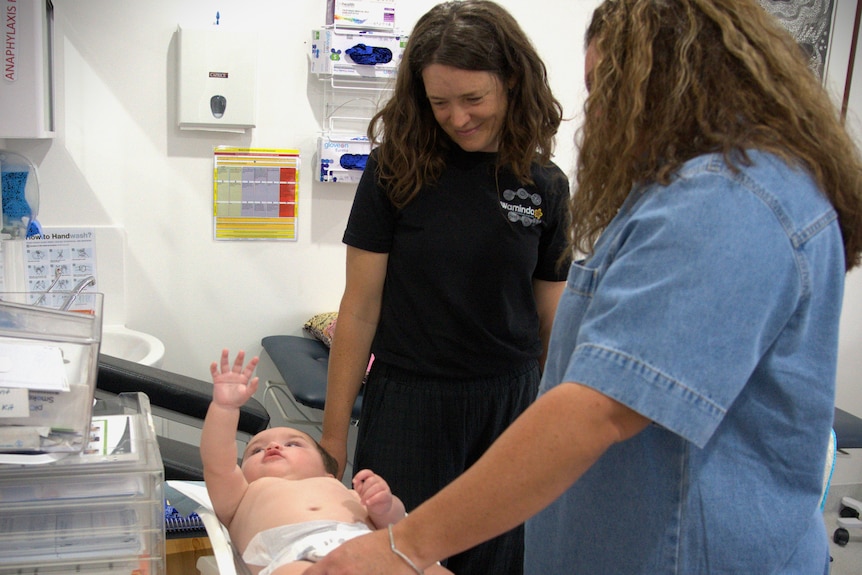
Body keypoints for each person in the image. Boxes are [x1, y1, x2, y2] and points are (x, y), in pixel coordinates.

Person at [304, 0, 862, 573]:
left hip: (680, 542)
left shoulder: (726, 201)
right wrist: (337, 445)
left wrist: (405, 544)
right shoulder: (685, 193)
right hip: (417, 403)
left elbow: (602, 405)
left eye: (608, 88)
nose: (597, 110)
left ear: (679, 79)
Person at [319, 1, 571, 573]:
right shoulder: (394, 172)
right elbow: (359, 308)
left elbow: (551, 317)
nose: (457, 117)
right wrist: (332, 438)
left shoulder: (545, 185)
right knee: (400, 559)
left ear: (512, 81)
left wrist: (555, 427)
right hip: (409, 404)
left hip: (508, 407)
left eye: (473, 98)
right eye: (439, 103)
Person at [201, 349, 453, 575]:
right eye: (256, 450)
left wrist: (385, 506)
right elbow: (217, 462)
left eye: (293, 444)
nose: (273, 447)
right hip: (292, 554)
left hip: (368, 549)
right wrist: (224, 408)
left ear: (328, 472)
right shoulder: (242, 496)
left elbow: (397, 527)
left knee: (431, 568)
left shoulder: (346, 493)